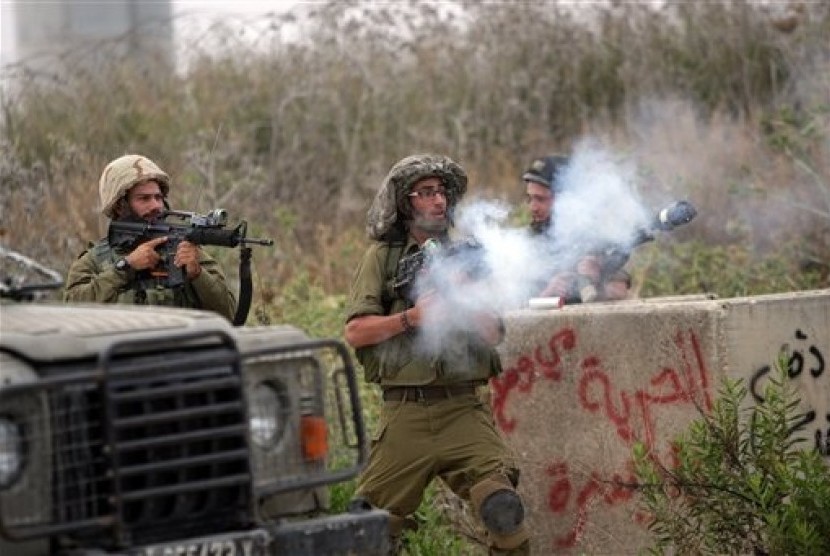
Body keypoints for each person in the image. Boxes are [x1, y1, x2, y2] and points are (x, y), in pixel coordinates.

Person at [344, 154, 530, 555]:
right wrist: (412, 317)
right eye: (426, 193)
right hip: (406, 413)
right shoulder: (382, 258)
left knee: (504, 514)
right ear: (406, 203)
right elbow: (356, 332)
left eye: (442, 192)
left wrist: (463, 293)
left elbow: (494, 332)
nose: (439, 201)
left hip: (462, 409)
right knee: (368, 531)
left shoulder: (467, 257)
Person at [64, 154, 237, 321]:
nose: (155, 205)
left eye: (158, 197)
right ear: (119, 206)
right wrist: (126, 267)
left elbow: (230, 315)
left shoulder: (186, 251)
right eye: (144, 198)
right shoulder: (94, 261)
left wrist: (197, 274)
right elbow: (70, 312)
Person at [522, 154, 631, 302]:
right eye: (530, 198)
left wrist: (595, 279)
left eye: (541, 199)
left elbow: (619, 290)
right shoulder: (527, 242)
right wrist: (548, 294)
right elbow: (513, 306)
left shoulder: (591, 238)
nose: (533, 207)